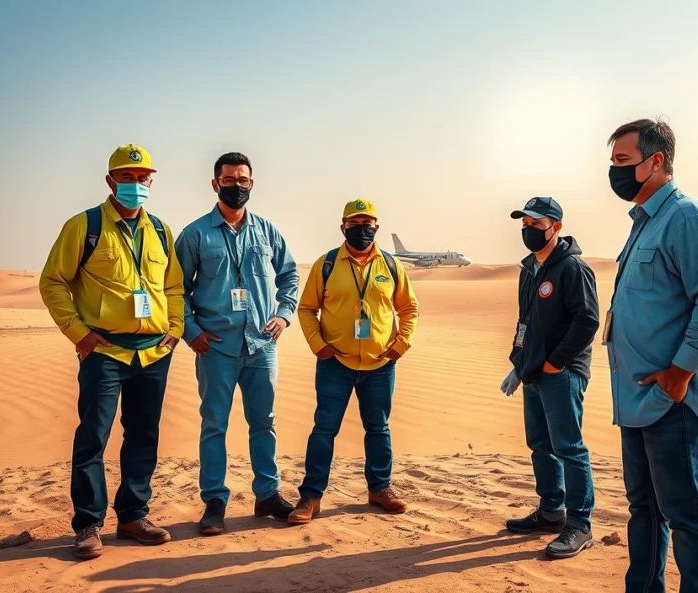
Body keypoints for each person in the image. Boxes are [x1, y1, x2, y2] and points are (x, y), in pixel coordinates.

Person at [605, 119, 698, 593]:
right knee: (644, 509)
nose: (614, 171)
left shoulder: (687, 217)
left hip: (674, 402)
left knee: (687, 515)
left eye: (623, 161)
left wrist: (679, 375)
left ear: (655, 161)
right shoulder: (646, 222)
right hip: (637, 399)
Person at [39, 144, 185, 560]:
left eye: (142, 179)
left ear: (150, 182)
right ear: (110, 181)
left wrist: (174, 330)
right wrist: (79, 334)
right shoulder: (83, 226)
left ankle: (133, 515)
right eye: (127, 177)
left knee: (143, 435)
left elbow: (173, 287)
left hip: (154, 353)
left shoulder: (160, 230)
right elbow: (53, 281)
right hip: (104, 351)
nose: (136, 185)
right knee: (93, 437)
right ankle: (88, 523)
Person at [173, 152, 300, 534]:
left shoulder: (267, 231)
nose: (236, 186)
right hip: (216, 348)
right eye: (229, 180)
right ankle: (214, 500)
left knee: (265, 422)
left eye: (243, 180)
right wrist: (191, 332)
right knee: (214, 424)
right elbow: (175, 290)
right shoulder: (195, 234)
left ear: (252, 183)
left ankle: (267, 495)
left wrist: (284, 313)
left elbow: (290, 276)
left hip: (261, 346)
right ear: (215, 184)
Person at [287, 199, 419, 525]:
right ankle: (311, 496)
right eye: (355, 223)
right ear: (343, 226)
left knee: (378, 429)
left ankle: (380, 489)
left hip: (380, 365)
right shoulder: (327, 264)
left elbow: (409, 309)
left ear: (377, 226)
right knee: (324, 429)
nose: (362, 229)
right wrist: (318, 345)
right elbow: (306, 309)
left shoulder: (390, 265)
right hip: (336, 363)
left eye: (368, 223)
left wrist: (401, 344)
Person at [500, 196, 600, 559]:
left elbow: (587, 320)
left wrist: (556, 363)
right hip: (534, 372)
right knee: (540, 445)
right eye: (524, 225)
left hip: (562, 373)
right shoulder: (529, 269)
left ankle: (580, 524)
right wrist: (518, 363)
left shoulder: (572, 268)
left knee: (569, 448)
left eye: (536, 225)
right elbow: (525, 321)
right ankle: (551, 512)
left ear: (555, 227)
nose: (529, 231)